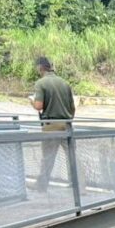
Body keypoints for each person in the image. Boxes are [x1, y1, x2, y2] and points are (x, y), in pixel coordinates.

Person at [30, 57, 75, 193]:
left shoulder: (41, 83)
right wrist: (67, 119)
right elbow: (72, 108)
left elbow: (38, 106)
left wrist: (31, 101)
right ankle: (79, 186)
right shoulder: (65, 83)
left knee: (48, 157)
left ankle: (41, 186)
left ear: (40, 68)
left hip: (51, 126)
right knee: (72, 156)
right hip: (67, 125)